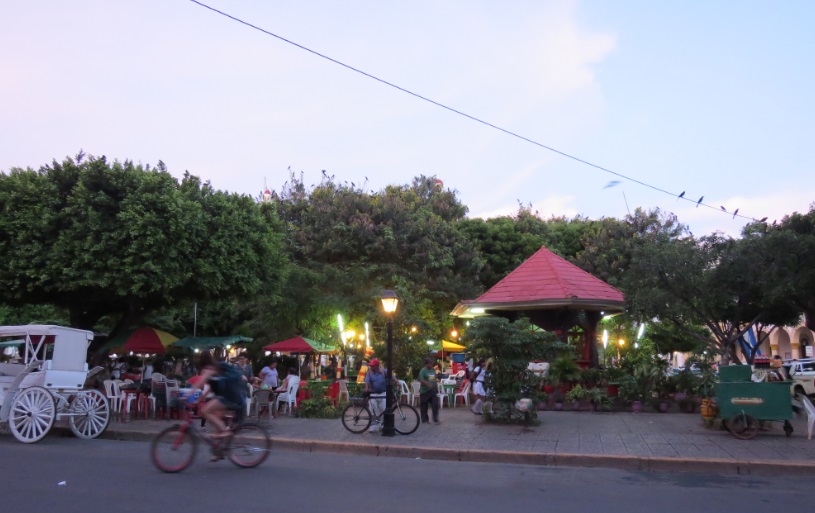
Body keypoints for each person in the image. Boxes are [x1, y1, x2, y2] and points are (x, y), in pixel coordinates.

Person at [184, 351, 247, 448]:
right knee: (217, 421)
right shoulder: (215, 367)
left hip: (228, 397)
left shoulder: (209, 368)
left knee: (204, 411)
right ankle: (218, 452)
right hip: (229, 396)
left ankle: (226, 432)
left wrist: (188, 394)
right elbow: (209, 387)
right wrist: (199, 399)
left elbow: (200, 383)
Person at [363, 358, 387, 433]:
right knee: (373, 409)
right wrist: (366, 388)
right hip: (373, 393)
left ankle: (383, 425)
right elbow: (367, 381)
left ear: (377, 366)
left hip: (383, 393)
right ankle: (374, 425)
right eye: (371, 366)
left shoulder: (383, 371)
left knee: (384, 409)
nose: (371, 367)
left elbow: (392, 377)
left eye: (372, 366)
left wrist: (397, 382)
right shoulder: (369, 373)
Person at [418, 357, 440, 424]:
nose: (432, 364)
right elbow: (421, 380)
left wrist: (436, 387)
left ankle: (435, 418)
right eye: (430, 363)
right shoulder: (423, 371)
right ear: (426, 364)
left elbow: (433, 379)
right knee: (424, 406)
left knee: (435, 404)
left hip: (432, 390)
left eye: (432, 363)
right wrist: (427, 384)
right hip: (424, 391)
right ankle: (425, 419)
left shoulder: (432, 369)